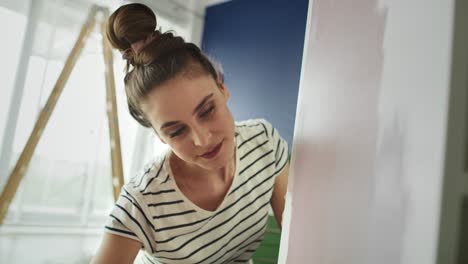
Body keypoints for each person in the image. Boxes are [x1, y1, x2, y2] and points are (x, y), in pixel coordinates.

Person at [91, 3, 289, 264]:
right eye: (176, 131)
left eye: (207, 111)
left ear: (222, 87)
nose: (202, 140)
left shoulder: (264, 143)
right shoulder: (142, 204)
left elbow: (299, 237)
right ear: (160, 137)